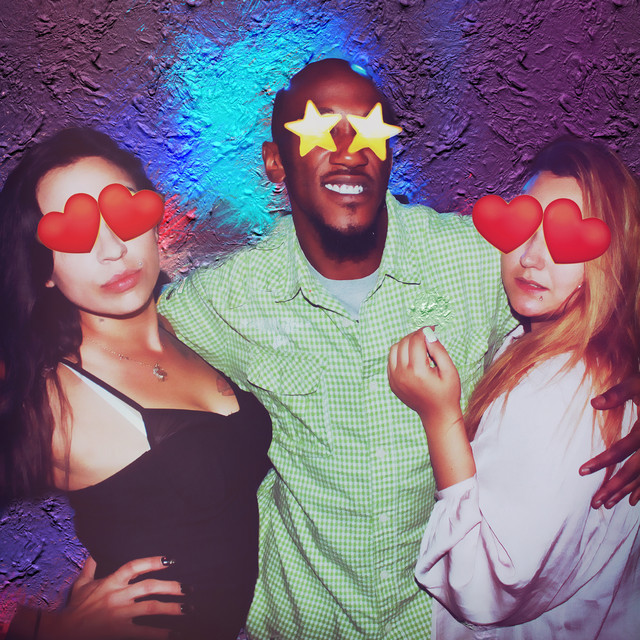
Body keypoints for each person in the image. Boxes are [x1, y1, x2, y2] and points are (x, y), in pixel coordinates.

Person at [158, 59, 640, 639]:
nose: (349, 150)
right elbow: (108, 345)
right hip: (301, 620)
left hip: (433, 622)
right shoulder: (226, 297)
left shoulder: (485, 257)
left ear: (389, 153)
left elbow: (604, 284)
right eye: (320, 129)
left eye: (368, 130)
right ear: (275, 163)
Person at [0, 128, 271, 640]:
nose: (112, 249)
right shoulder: (51, 398)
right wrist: (48, 630)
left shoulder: (192, 326)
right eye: (74, 233)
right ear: (44, 270)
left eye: (123, 214)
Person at [388, 137, 640, 638]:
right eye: (525, 227)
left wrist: (440, 418)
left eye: (566, 238)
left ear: (611, 256)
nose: (532, 257)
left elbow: (483, 588)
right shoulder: (547, 344)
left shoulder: (561, 390)